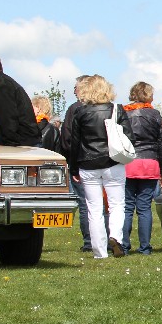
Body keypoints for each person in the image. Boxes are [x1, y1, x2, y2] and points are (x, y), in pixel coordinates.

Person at [68, 74, 132, 259]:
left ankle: (99, 252)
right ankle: (116, 236)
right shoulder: (117, 110)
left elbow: (75, 143)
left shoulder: (80, 112)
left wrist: (73, 168)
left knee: (94, 209)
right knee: (117, 204)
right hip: (113, 162)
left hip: (88, 163)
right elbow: (129, 137)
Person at [121, 82, 162, 255]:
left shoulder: (123, 113)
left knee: (127, 207)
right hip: (149, 162)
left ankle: (124, 246)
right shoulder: (154, 114)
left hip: (128, 162)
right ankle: (145, 247)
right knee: (144, 208)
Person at [0, 54, 39, 146]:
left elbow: (9, 124)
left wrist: (8, 150)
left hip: (21, 148)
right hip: (23, 146)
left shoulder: (2, 87)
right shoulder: (2, 84)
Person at [60, 75, 93, 252]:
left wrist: (72, 161)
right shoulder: (105, 108)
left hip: (80, 162)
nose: (74, 91)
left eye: (76, 87)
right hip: (101, 162)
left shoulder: (75, 109)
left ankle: (89, 241)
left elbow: (67, 139)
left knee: (85, 203)